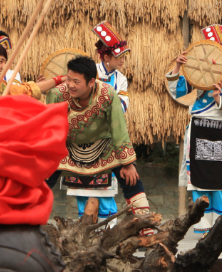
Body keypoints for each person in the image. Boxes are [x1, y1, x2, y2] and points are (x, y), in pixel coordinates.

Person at [45, 56, 150, 222]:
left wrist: (128, 163)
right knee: (40, 179)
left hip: (105, 148)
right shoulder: (57, 94)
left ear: (91, 82)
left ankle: (146, 225)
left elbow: (118, 128)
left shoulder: (107, 93)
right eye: (69, 79)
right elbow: (50, 129)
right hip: (68, 147)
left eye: (76, 81)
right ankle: (21, 225)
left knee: (132, 179)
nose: (71, 85)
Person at [166, 24, 222, 237]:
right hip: (198, 130)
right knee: (199, 182)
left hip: (220, 131)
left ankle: (219, 228)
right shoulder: (197, 76)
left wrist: (219, 98)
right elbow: (179, 95)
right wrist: (177, 68)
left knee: (220, 180)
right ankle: (203, 227)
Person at [92, 21, 130, 112]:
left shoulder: (121, 79)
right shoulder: (91, 70)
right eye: (119, 57)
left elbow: (123, 104)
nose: (122, 60)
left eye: (124, 57)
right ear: (106, 57)